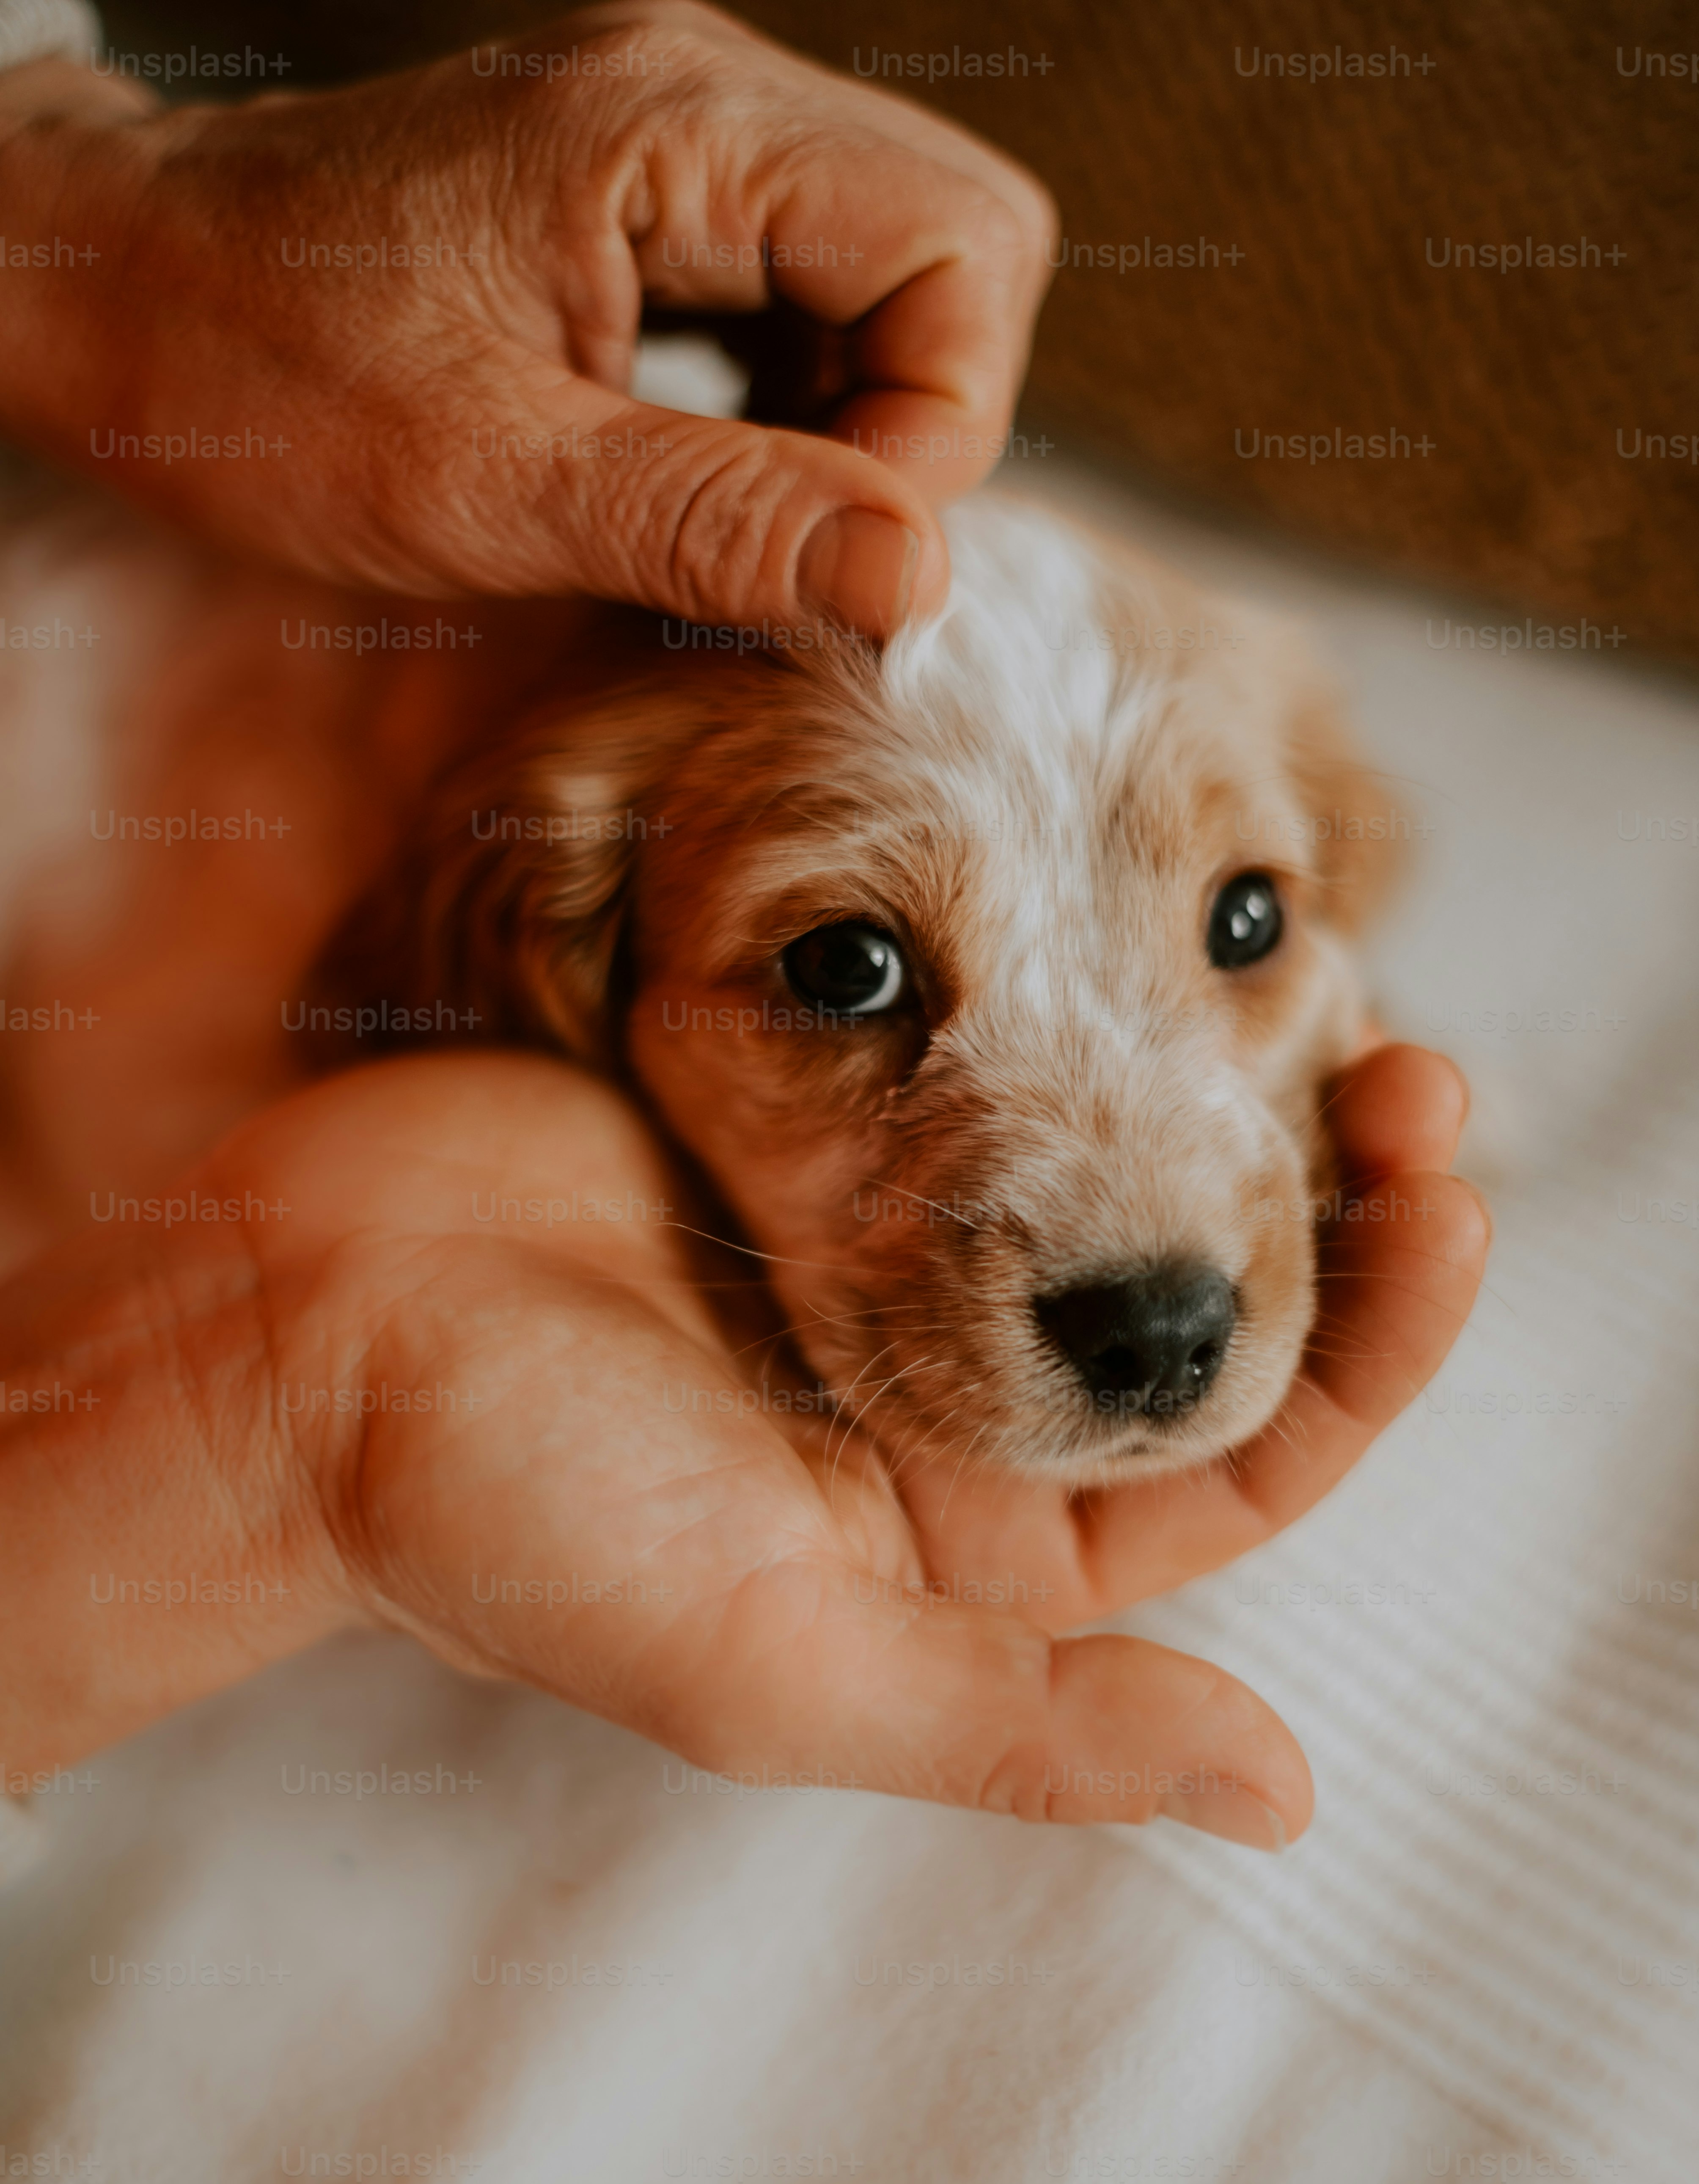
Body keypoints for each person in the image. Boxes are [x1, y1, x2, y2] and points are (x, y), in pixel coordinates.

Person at [0, 0, 1486, 1844]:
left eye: (1239, 920)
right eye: (844, 967)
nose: (1151, 1249)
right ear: (518, 958)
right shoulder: (208, 875)